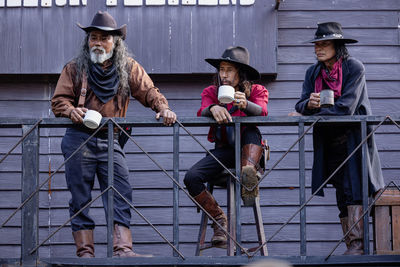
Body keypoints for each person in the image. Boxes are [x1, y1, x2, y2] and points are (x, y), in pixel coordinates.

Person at [51, 11, 177, 258]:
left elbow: (149, 91)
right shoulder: (74, 68)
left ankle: (123, 250)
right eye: (93, 37)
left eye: (104, 38)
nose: (97, 42)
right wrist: (71, 110)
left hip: (111, 140)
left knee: (121, 192)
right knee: (80, 197)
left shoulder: (128, 67)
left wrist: (164, 108)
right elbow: (58, 101)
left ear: (115, 42)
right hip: (78, 139)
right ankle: (85, 254)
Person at [290, 22, 384, 255]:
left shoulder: (354, 67)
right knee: (341, 191)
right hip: (328, 142)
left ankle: (358, 245)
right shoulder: (313, 72)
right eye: (316, 44)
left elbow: (346, 107)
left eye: (324, 44)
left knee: (355, 189)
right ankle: (352, 244)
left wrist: (310, 112)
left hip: (353, 139)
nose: (318, 49)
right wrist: (309, 105)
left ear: (337, 46)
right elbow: (300, 103)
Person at [184, 46, 268, 247]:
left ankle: (248, 174)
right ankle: (219, 220)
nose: (224, 75)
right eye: (221, 69)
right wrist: (213, 108)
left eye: (229, 70)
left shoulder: (257, 90)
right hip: (225, 150)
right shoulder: (212, 92)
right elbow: (202, 110)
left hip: (250, 149)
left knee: (249, 130)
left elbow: (263, 111)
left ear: (241, 73)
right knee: (191, 177)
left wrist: (245, 104)